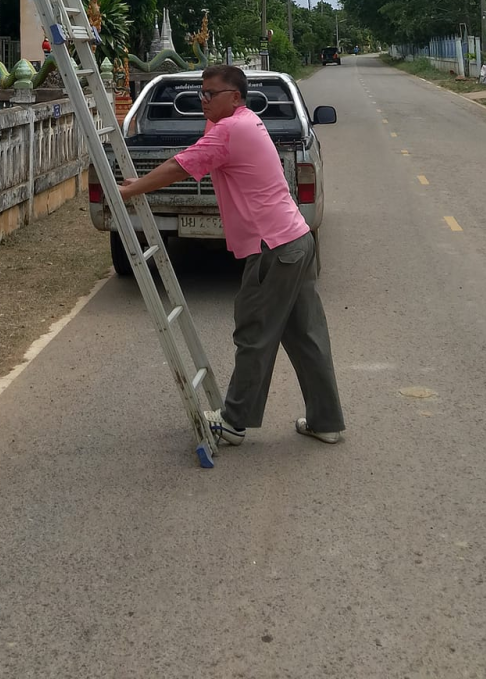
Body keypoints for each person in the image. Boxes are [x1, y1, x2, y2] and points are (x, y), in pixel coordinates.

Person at [119, 62, 344, 448]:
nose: (202, 101)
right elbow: (203, 144)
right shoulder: (245, 121)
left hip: (274, 248)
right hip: (296, 241)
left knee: (254, 332)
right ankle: (326, 422)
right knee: (306, 335)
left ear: (235, 97)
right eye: (200, 93)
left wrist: (131, 189)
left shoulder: (230, 130)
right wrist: (211, 107)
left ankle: (234, 422)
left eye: (211, 94)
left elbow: (179, 165)